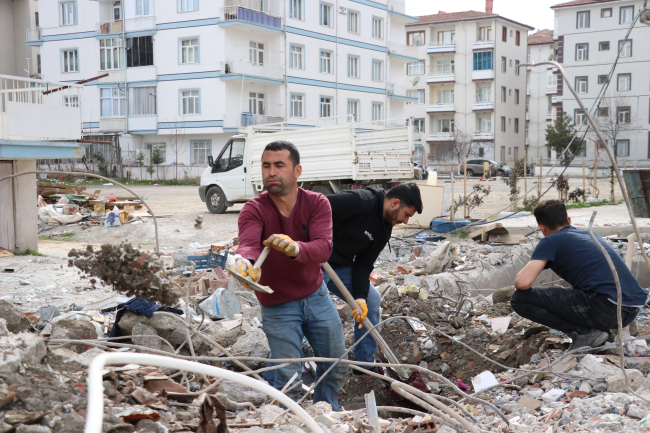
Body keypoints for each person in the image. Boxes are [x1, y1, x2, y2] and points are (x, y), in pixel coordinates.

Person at [234, 140, 347, 410]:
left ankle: (325, 416)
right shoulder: (255, 209)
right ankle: (290, 423)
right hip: (278, 304)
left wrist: (296, 248)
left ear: (297, 171)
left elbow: (324, 247)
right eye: (266, 166)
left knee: (335, 365)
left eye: (279, 165)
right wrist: (242, 261)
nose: (271, 172)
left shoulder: (317, 203)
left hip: (316, 296)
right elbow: (248, 243)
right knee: (287, 377)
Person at [511, 200, 648, 350]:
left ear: (542, 228)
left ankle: (584, 333)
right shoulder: (589, 234)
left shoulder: (551, 241)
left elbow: (522, 283)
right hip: (631, 310)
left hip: (606, 308)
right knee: (580, 293)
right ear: (569, 220)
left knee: (519, 299)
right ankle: (600, 334)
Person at [324, 183, 423, 373]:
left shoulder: (384, 228)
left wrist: (360, 298)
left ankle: (364, 366)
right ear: (395, 203)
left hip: (339, 266)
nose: (406, 221)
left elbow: (363, 264)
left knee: (371, 299)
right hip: (313, 261)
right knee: (322, 314)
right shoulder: (360, 201)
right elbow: (316, 207)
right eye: (407, 215)